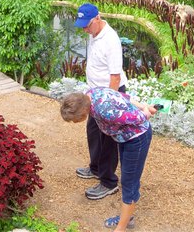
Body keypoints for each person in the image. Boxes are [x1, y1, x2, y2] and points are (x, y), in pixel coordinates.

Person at [61, 87, 156, 231]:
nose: (75, 123)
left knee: (129, 182)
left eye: (75, 120)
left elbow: (137, 118)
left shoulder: (104, 110)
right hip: (126, 138)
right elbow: (123, 96)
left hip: (136, 139)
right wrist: (143, 105)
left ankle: (121, 228)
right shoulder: (91, 93)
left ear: (81, 113)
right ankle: (127, 217)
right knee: (127, 180)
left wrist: (146, 112)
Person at [74, 2, 127, 200]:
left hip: (110, 94)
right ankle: (95, 168)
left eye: (87, 25)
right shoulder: (93, 33)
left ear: (97, 18)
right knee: (93, 132)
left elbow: (115, 77)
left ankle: (108, 182)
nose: (85, 29)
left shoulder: (111, 40)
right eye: (82, 26)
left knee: (108, 139)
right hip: (95, 95)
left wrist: (109, 104)